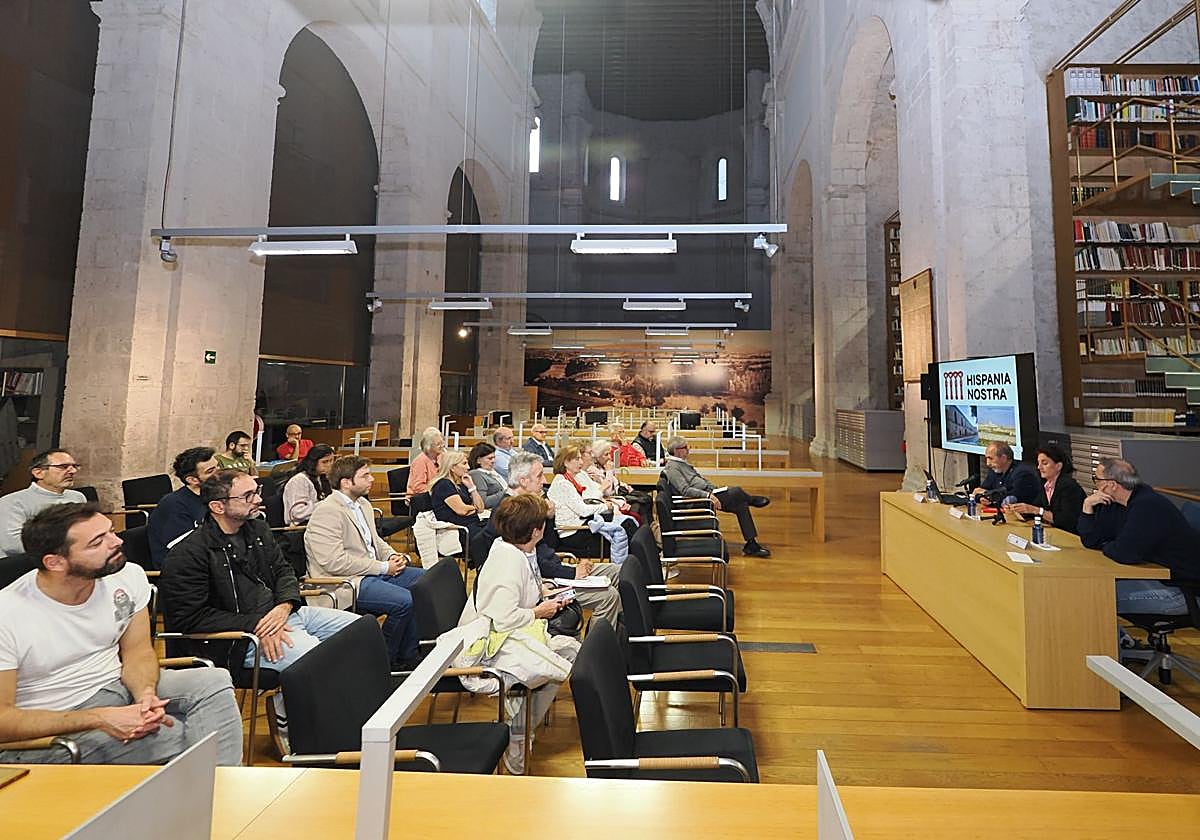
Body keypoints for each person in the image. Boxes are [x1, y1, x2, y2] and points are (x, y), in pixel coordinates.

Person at [0, 503, 243, 765]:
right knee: (196, 737)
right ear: (55, 562)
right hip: (55, 723)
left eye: (111, 532)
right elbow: (3, 720)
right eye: (97, 542)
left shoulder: (126, 575)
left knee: (213, 681)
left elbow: (137, 652)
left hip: (118, 687)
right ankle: (219, 798)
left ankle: (214, 796)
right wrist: (100, 717)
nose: (116, 542)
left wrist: (145, 695)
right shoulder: (9, 613)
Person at [159, 470, 359, 751]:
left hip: (285, 615)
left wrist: (284, 605)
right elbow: (191, 618)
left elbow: (284, 572)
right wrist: (258, 624)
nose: (259, 500)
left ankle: (340, 719)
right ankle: (325, 737)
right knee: (320, 658)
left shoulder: (258, 530)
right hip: (237, 640)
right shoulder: (188, 554)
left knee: (360, 634)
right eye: (248, 495)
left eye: (257, 492)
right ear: (218, 506)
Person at [448, 493, 580, 774]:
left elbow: (518, 597)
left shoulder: (513, 549)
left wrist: (542, 593)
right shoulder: (508, 561)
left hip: (507, 635)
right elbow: (504, 617)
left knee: (567, 651)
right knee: (561, 657)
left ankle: (520, 729)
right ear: (536, 531)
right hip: (487, 651)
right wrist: (539, 611)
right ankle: (518, 735)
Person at [303, 457, 424, 668]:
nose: (372, 479)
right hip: (343, 582)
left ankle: (408, 654)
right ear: (346, 482)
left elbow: (375, 541)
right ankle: (381, 660)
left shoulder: (363, 504)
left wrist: (393, 556)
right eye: (365, 475)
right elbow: (334, 562)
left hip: (371, 572)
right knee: (404, 601)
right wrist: (383, 567)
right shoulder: (327, 511)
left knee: (424, 583)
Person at [496, 451, 621, 629]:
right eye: (539, 476)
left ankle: (622, 633)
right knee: (609, 596)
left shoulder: (529, 504)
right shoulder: (510, 512)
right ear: (523, 481)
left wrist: (549, 517)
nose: (544, 481)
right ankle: (596, 649)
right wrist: (572, 573)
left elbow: (548, 546)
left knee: (616, 571)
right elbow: (530, 563)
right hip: (543, 581)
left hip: (553, 570)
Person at [1077, 458, 1200, 618]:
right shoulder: (1116, 503)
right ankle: (1122, 641)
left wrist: (1107, 545)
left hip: (1179, 590)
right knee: (1088, 590)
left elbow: (1125, 554)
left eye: (1097, 480)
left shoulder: (1148, 506)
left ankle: (1121, 642)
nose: (1096, 485)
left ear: (1112, 485)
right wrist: (1087, 507)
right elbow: (1091, 540)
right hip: (1155, 578)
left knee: (1093, 598)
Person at [663, 435, 771, 557]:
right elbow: (685, 490)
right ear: (677, 450)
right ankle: (752, 499)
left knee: (741, 505)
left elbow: (700, 479)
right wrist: (709, 495)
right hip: (697, 501)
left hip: (708, 494)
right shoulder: (672, 467)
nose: (688, 450)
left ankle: (751, 544)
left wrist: (714, 489)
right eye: (685, 447)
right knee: (736, 491)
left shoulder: (682, 463)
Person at [546, 445, 635, 562]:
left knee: (627, 523)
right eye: (577, 459)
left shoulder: (569, 480)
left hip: (583, 524)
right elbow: (583, 510)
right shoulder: (563, 484)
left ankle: (636, 565)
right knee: (626, 526)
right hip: (574, 532)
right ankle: (633, 568)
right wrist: (604, 506)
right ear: (566, 463)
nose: (581, 462)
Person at [0, 448, 87, 556]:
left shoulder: (77, 497)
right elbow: (13, 544)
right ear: (38, 473)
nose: (73, 471)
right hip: (25, 565)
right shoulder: (12, 502)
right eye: (63, 467)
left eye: (74, 466)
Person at [148, 446, 220, 569]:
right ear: (192, 480)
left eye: (218, 467)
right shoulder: (174, 504)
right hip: (183, 573)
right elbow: (183, 551)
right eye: (211, 471)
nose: (219, 473)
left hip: (211, 564)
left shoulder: (214, 496)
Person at [1004, 444, 1086, 535]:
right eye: (1038, 463)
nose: (1039, 467)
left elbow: (1065, 520)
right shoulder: (1045, 485)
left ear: (1058, 466)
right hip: (1055, 534)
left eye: (1044, 463)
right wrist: (1017, 509)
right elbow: (1034, 509)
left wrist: (1036, 510)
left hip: (1072, 537)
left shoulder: (1069, 487)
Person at [430, 450, 487, 554]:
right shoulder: (444, 484)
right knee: (490, 538)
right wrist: (472, 508)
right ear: (452, 467)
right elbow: (461, 510)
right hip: (459, 530)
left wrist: (472, 487)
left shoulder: (462, 484)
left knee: (498, 530)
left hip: (473, 524)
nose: (468, 467)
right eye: (464, 464)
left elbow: (481, 508)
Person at [281, 443, 335, 525]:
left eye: (331, 461)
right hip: (301, 527)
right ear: (313, 462)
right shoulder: (299, 480)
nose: (329, 465)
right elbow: (297, 513)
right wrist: (327, 504)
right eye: (325, 462)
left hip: (319, 521)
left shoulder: (322, 478)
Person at [972, 442, 1039, 505]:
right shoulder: (995, 470)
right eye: (986, 458)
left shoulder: (1022, 473)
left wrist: (987, 494)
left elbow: (1011, 499)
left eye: (991, 458)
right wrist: (981, 498)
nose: (987, 463)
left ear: (1003, 458)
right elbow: (979, 491)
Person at [468, 442, 507, 510]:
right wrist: (507, 492)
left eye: (494, 458)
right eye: (490, 458)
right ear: (478, 460)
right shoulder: (476, 474)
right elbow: (484, 502)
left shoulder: (493, 472)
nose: (493, 461)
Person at [407, 427, 444, 495]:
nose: (442, 446)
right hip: (421, 498)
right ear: (428, 446)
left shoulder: (441, 457)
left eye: (442, 443)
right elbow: (418, 487)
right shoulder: (420, 461)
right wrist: (440, 492)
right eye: (438, 444)